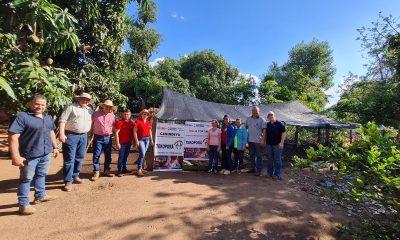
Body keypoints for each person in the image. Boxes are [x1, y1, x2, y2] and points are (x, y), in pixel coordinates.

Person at [8, 94, 59, 215]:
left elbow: (51, 131)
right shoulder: (22, 117)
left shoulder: (47, 117)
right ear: (30, 104)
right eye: (37, 104)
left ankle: (40, 195)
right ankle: (23, 205)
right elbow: (13, 137)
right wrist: (15, 156)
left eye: (43, 105)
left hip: (45, 152)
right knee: (26, 179)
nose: (40, 107)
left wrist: (55, 147)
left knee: (41, 174)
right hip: (29, 155)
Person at [59, 92, 93, 192]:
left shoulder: (89, 110)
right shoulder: (71, 107)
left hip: (83, 136)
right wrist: (61, 133)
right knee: (69, 159)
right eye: (83, 99)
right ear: (79, 99)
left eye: (87, 100)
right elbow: (62, 120)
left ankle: (75, 176)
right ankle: (68, 181)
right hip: (71, 135)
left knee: (80, 157)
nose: (85, 101)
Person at [91, 100, 117, 181]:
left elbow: (114, 127)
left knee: (108, 155)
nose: (109, 108)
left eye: (110, 107)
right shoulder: (95, 114)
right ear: (103, 106)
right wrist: (90, 137)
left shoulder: (113, 116)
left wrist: (114, 135)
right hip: (97, 137)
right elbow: (91, 125)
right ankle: (96, 171)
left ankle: (107, 170)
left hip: (108, 137)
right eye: (107, 106)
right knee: (96, 154)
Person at [246, 106, 267, 176]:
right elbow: (247, 130)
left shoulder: (262, 120)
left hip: (258, 141)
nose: (254, 112)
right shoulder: (248, 119)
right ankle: (253, 168)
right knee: (251, 155)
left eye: (256, 111)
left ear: (259, 111)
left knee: (259, 156)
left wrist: (263, 140)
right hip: (250, 141)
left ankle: (259, 170)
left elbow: (264, 131)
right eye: (253, 111)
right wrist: (246, 140)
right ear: (251, 111)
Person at [265, 111, 286, 180]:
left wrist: (281, 143)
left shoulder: (279, 123)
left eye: (272, 115)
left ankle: (277, 174)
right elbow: (265, 134)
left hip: (277, 145)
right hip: (269, 144)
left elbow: (284, 133)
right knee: (270, 159)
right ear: (268, 117)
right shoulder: (267, 124)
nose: (270, 116)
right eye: (269, 115)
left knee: (277, 159)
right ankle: (269, 173)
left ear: (274, 116)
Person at [133, 109, 154, 176]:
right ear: (141, 114)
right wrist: (136, 140)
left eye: (147, 114)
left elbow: (150, 131)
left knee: (143, 154)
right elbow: (134, 131)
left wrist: (151, 140)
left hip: (147, 139)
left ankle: (141, 168)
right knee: (142, 154)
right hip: (140, 139)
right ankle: (139, 169)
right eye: (144, 114)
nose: (145, 115)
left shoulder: (148, 122)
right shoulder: (138, 121)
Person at [115, 109, 134, 177]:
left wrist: (133, 141)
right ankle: (119, 171)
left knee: (126, 156)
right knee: (121, 157)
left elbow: (133, 133)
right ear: (122, 115)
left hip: (128, 142)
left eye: (127, 114)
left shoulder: (131, 122)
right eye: (125, 114)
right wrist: (117, 143)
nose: (126, 116)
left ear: (130, 115)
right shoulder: (119, 122)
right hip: (122, 143)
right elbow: (116, 133)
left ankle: (124, 168)